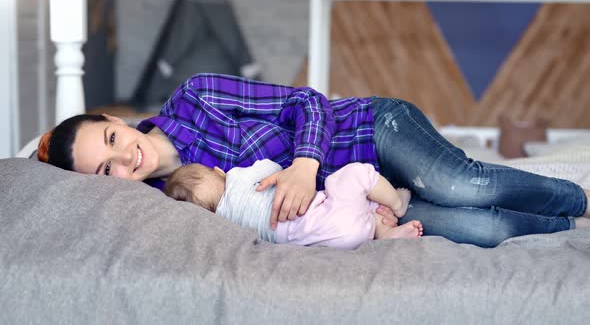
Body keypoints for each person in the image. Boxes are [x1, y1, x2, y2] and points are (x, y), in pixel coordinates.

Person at [37, 73, 590, 248]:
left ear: (113, 122)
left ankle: (580, 195)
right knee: (472, 228)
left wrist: (304, 164)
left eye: (109, 143)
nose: (122, 161)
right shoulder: (172, 205)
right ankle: (570, 225)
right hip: (356, 207)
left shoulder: (196, 98)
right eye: (105, 172)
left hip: (368, 131)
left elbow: (308, 102)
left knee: (461, 186)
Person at [164, 159, 421, 249]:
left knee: (352, 215)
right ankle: (397, 203)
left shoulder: (224, 224)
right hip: (325, 216)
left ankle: (384, 232)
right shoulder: (236, 178)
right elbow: (271, 168)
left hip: (324, 242)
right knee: (354, 175)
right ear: (217, 172)